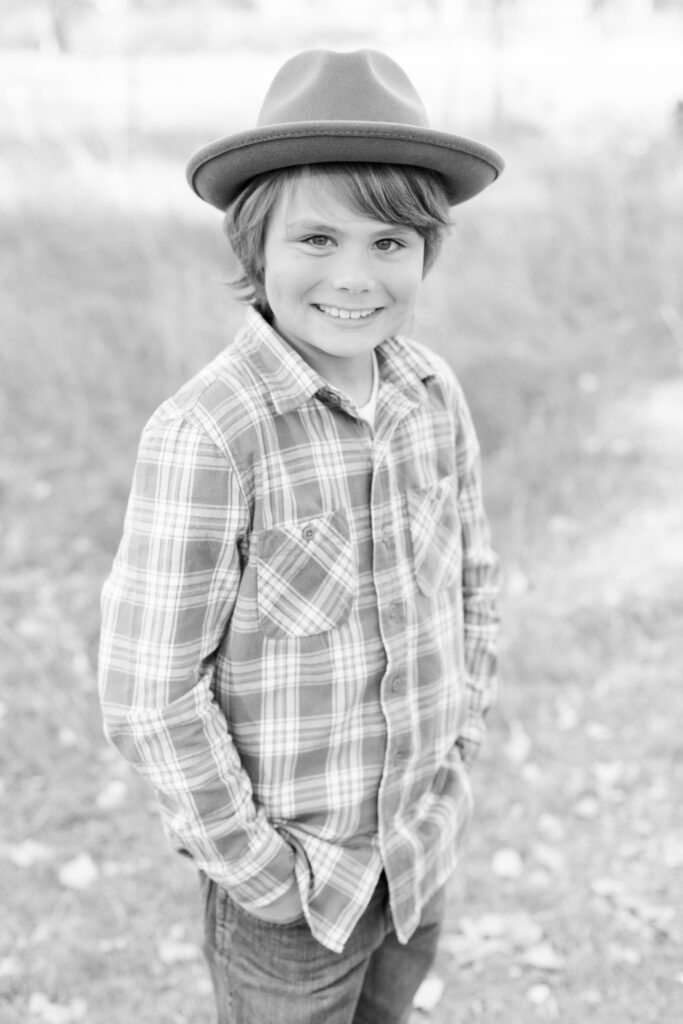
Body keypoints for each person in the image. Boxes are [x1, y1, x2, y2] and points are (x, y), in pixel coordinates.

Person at [98, 48, 503, 1024]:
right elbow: (150, 690)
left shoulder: (428, 394)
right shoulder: (212, 432)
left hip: (415, 849)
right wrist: (260, 870)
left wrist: (457, 747)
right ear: (255, 247)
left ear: (425, 253)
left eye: (389, 242)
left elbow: (471, 580)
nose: (354, 276)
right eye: (316, 239)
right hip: (292, 896)